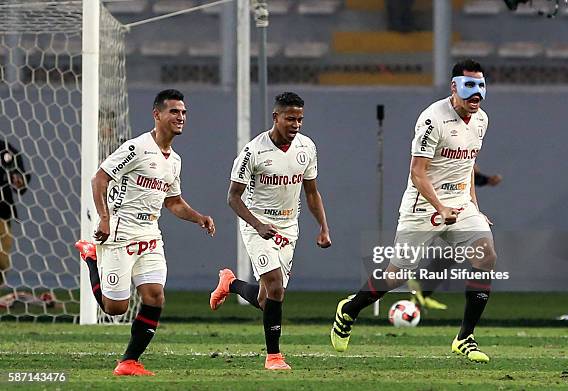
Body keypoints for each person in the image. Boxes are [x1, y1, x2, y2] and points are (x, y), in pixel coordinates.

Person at [331, 59, 498, 363]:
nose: (477, 94)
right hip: (423, 206)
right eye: (469, 86)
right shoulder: (432, 119)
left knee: (486, 256)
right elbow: (417, 173)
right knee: (395, 277)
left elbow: (467, 166)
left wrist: (475, 206)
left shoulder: (482, 120)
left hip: (460, 204)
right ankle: (350, 309)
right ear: (454, 87)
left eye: (481, 86)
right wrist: (440, 207)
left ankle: (465, 338)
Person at [74, 89, 216, 376]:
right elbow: (99, 178)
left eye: (184, 112)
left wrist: (198, 217)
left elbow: (173, 202)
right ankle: (91, 258)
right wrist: (104, 218)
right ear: (157, 115)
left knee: (155, 297)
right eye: (174, 111)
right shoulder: (136, 148)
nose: (180, 117)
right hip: (120, 232)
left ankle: (129, 361)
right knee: (115, 308)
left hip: (150, 234)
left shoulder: (174, 160)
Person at [210, 92, 332, 370]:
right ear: (275, 117)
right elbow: (233, 197)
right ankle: (274, 356)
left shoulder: (307, 148)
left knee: (268, 299)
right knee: (276, 287)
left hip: (289, 227)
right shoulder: (254, 151)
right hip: (257, 225)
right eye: (290, 118)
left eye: (300, 119)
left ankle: (230, 284)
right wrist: (258, 224)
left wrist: (323, 227)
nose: (296, 124)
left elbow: (311, 192)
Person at [410, 164, 502, 310]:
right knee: (449, 254)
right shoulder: (440, 151)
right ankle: (419, 287)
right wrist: (486, 180)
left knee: (452, 255)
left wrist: (485, 180)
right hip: (441, 209)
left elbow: (469, 170)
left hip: (455, 209)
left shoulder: (464, 151)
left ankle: (421, 291)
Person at [0, 140, 30, 287]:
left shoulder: (6, 149)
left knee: (3, 260)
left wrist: (19, 181)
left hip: (3, 212)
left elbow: (21, 182)